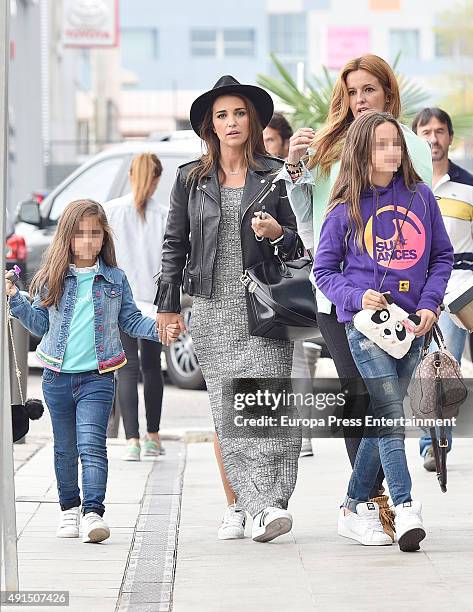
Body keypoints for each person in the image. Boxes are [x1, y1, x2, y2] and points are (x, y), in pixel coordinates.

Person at [278, 54, 433, 539]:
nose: (359, 100)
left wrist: (428, 297)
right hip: (343, 299)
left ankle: (362, 501)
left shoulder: (409, 145)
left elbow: (422, 226)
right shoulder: (328, 143)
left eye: (368, 90)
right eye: (351, 92)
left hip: (403, 302)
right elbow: (310, 223)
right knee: (365, 399)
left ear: (387, 93)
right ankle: (376, 504)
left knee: (386, 402)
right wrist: (295, 168)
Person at [155, 75, 302, 543]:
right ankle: (255, 507)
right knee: (229, 409)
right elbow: (174, 244)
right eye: (222, 115)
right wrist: (167, 307)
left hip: (264, 306)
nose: (232, 121)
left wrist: (277, 233)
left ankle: (268, 502)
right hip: (213, 307)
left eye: (239, 113)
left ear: (253, 120)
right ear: (209, 126)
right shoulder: (189, 180)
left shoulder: (277, 175)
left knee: (267, 406)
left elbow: (302, 244)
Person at [315, 111, 453, 551]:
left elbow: (442, 258)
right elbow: (323, 271)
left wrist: (430, 306)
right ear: (361, 150)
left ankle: (352, 505)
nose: (392, 151)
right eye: (381, 144)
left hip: (412, 327)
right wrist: (357, 297)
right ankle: (406, 503)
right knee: (390, 410)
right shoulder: (344, 207)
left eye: (395, 142)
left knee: (384, 416)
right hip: (366, 330)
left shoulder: (422, 197)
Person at [4, 199, 179, 543]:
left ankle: (93, 513)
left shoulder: (115, 278)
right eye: (80, 234)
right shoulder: (51, 277)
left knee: (92, 445)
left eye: (95, 234)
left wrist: (160, 330)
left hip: (98, 378)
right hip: (56, 378)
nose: (88, 241)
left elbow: (129, 319)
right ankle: (69, 509)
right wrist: (15, 300)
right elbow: (40, 324)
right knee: (65, 448)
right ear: (67, 237)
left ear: (104, 237)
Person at [412, 107, 473, 470]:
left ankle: (436, 441)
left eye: (439, 131)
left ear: (450, 136)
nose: (433, 139)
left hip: (459, 290)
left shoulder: (468, 187)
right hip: (412, 293)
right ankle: (429, 440)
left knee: (445, 365)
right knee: (420, 368)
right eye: (425, 132)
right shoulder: (405, 185)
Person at [105, 153, 167, 461]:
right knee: (152, 368)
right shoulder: (165, 216)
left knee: (126, 370)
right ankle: (152, 437)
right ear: (156, 179)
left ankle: (132, 441)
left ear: (131, 175)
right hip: (155, 306)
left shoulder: (111, 212)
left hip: (120, 303)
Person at [264, 112, 314, 458]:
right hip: (268, 280)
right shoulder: (261, 176)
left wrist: (280, 234)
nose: (264, 146)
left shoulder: (292, 177)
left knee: (298, 357)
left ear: (284, 141)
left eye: (269, 139)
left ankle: (303, 434)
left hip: (298, 275)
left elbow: (306, 225)